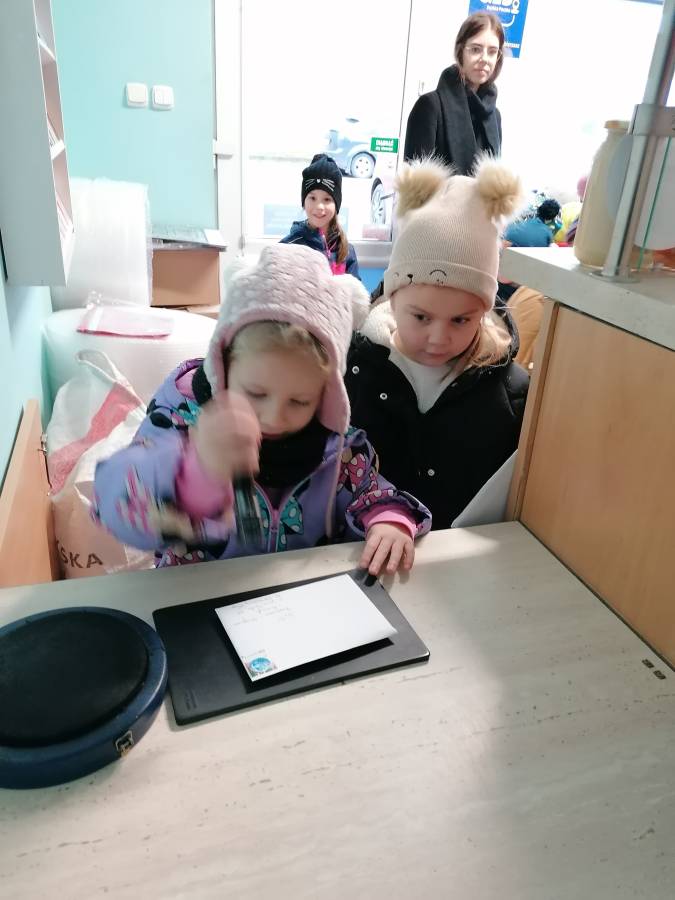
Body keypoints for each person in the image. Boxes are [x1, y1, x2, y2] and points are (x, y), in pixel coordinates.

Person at [93, 244, 430, 576]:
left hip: (299, 597)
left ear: (326, 395)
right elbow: (115, 506)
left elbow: (372, 493)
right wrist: (198, 466)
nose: (273, 417)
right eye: (255, 393)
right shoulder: (179, 417)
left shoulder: (340, 450)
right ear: (223, 368)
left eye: (299, 401)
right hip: (197, 595)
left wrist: (389, 521)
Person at [345, 157, 529, 531]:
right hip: (355, 552)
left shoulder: (512, 394)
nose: (438, 338)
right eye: (421, 317)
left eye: (461, 320)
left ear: (484, 311)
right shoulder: (350, 371)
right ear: (393, 297)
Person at [403, 12, 504, 173]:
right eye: (476, 49)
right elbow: (414, 184)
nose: (485, 58)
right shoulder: (430, 106)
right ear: (460, 51)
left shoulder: (494, 115)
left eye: (492, 51)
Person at [280, 153, 360, 279]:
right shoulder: (287, 247)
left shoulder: (347, 251)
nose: (319, 206)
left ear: (336, 204)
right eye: (312, 198)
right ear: (304, 202)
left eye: (327, 199)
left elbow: (355, 289)